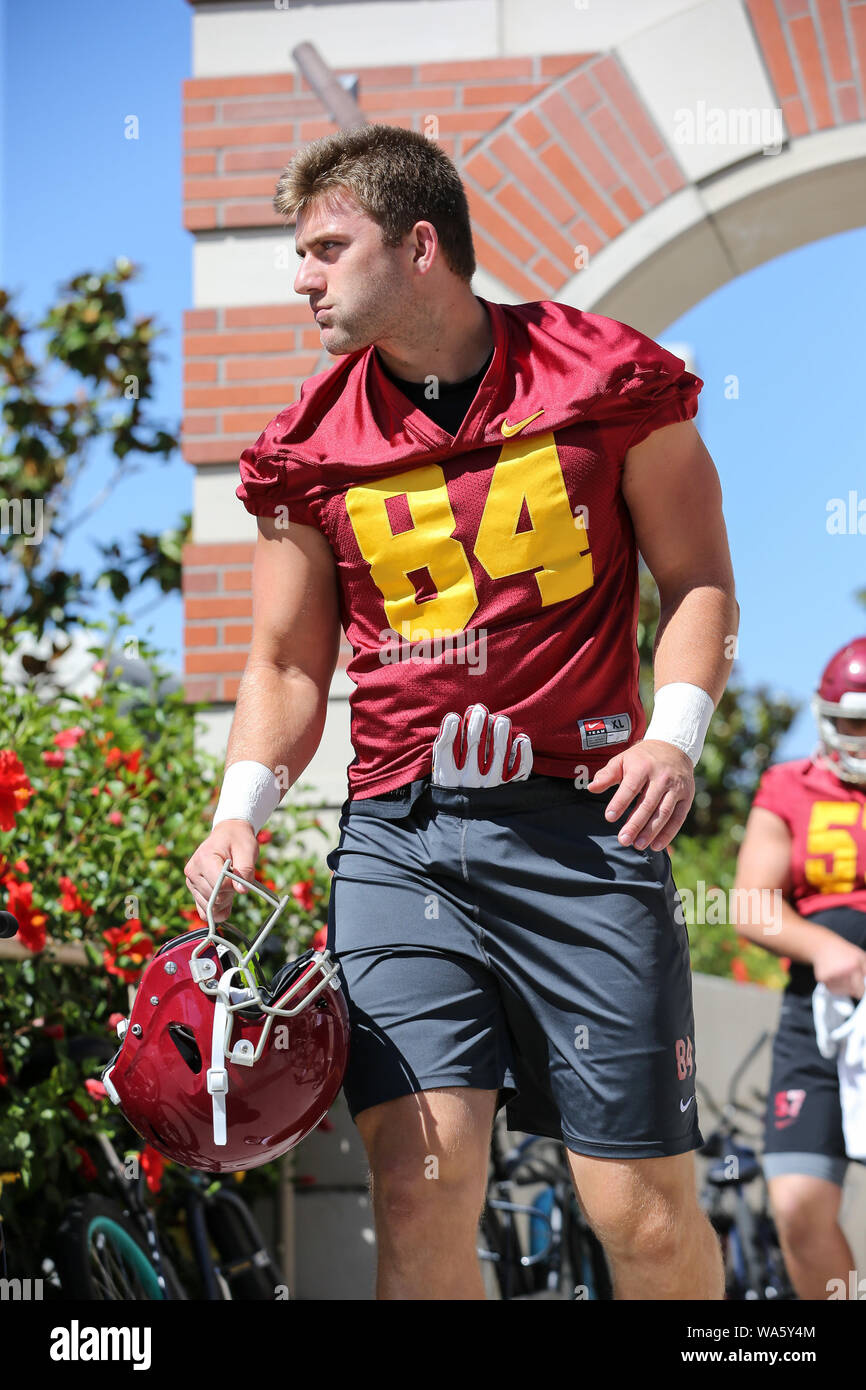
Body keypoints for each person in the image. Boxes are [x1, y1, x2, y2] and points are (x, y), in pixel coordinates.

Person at [184, 123, 738, 1300]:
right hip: (402, 842)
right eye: (301, 253)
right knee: (419, 1183)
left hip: (586, 830)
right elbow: (286, 664)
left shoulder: (605, 378)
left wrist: (672, 739)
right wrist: (239, 810)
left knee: (634, 1214)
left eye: (329, 248)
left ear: (418, 245)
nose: (302, 277)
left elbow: (697, 583)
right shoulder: (303, 449)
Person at [733, 638, 866, 1300]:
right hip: (817, 1015)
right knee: (796, 1203)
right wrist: (826, 949)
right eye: (853, 723)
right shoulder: (790, 786)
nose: (862, 740)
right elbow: (752, 904)